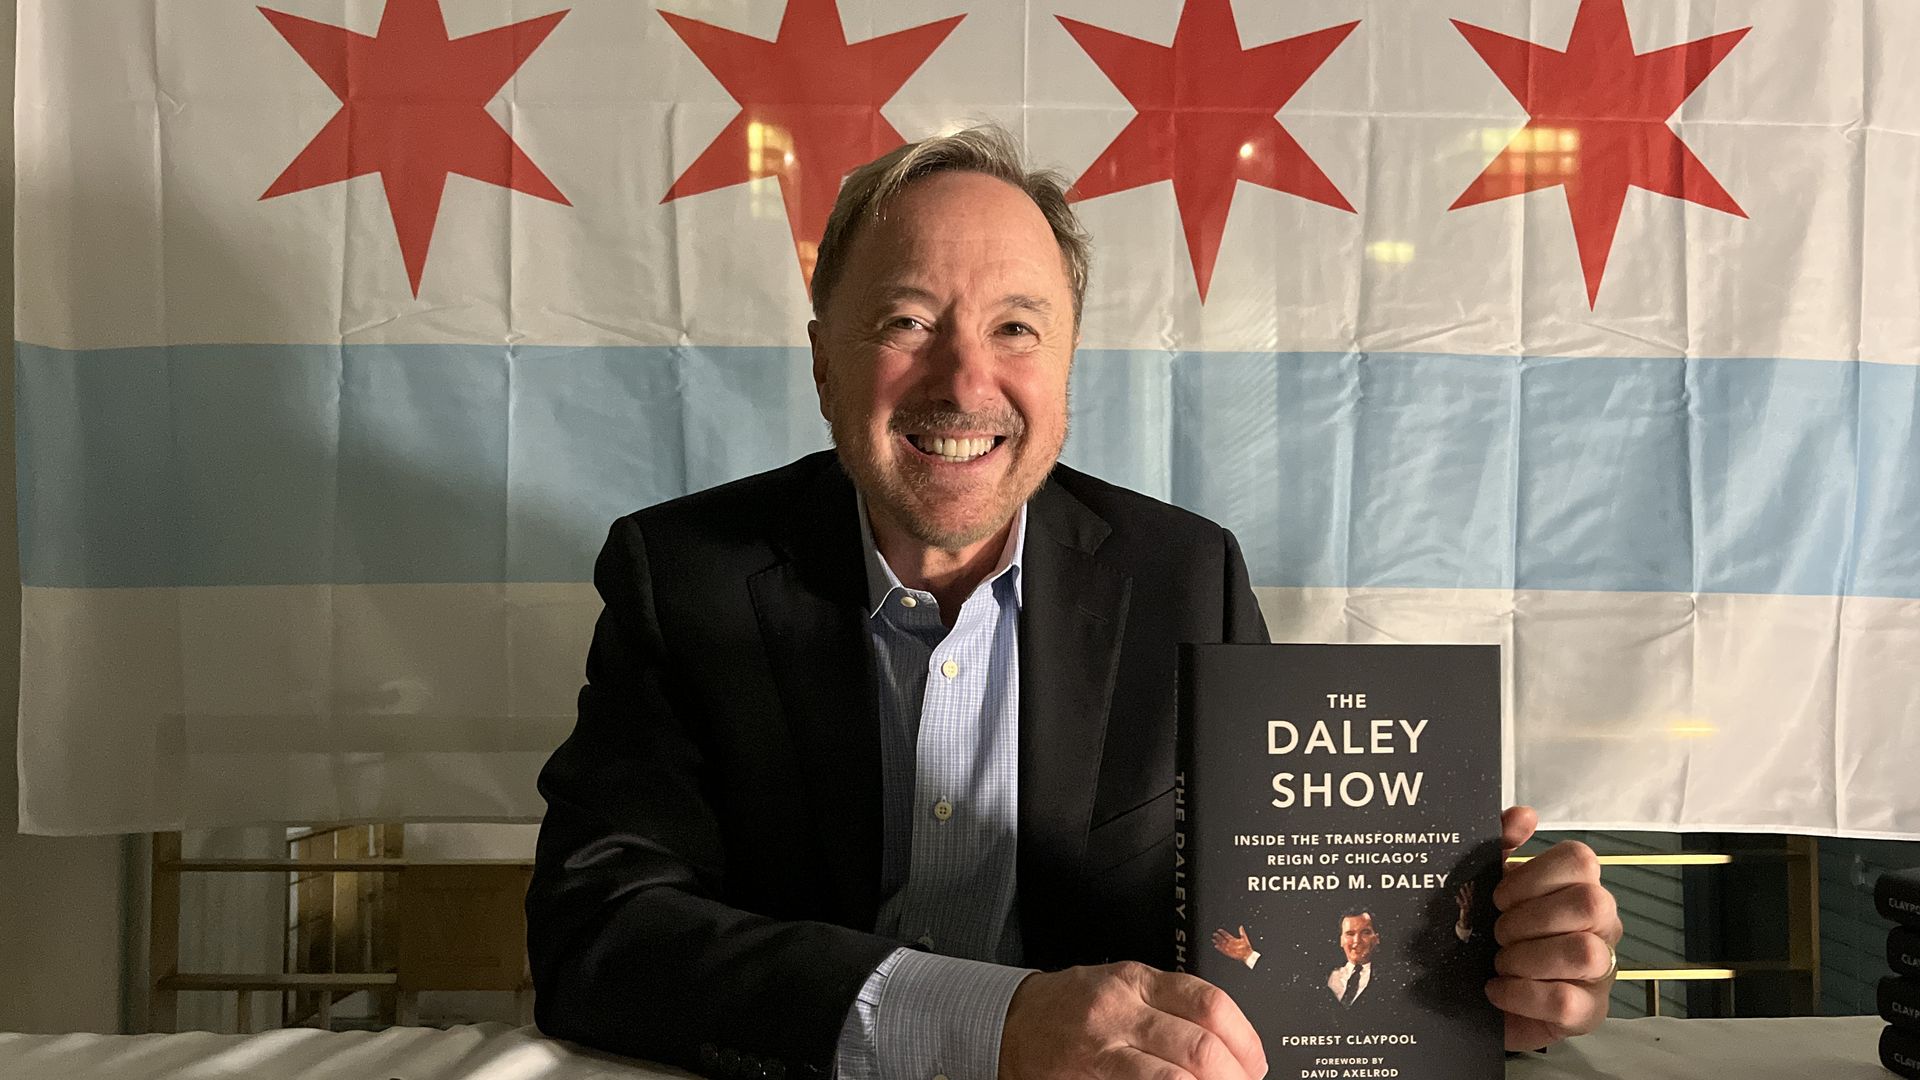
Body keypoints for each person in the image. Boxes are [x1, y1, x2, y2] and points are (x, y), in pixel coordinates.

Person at [526, 124, 1622, 1080]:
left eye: (1016, 328)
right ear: (823, 365)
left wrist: (1475, 978)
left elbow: (1269, 938)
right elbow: (601, 935)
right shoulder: (678, 572)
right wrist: (982, 1024)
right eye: (906, 322)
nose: (963, 382)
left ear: (1066, 368)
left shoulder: (1187, 577)